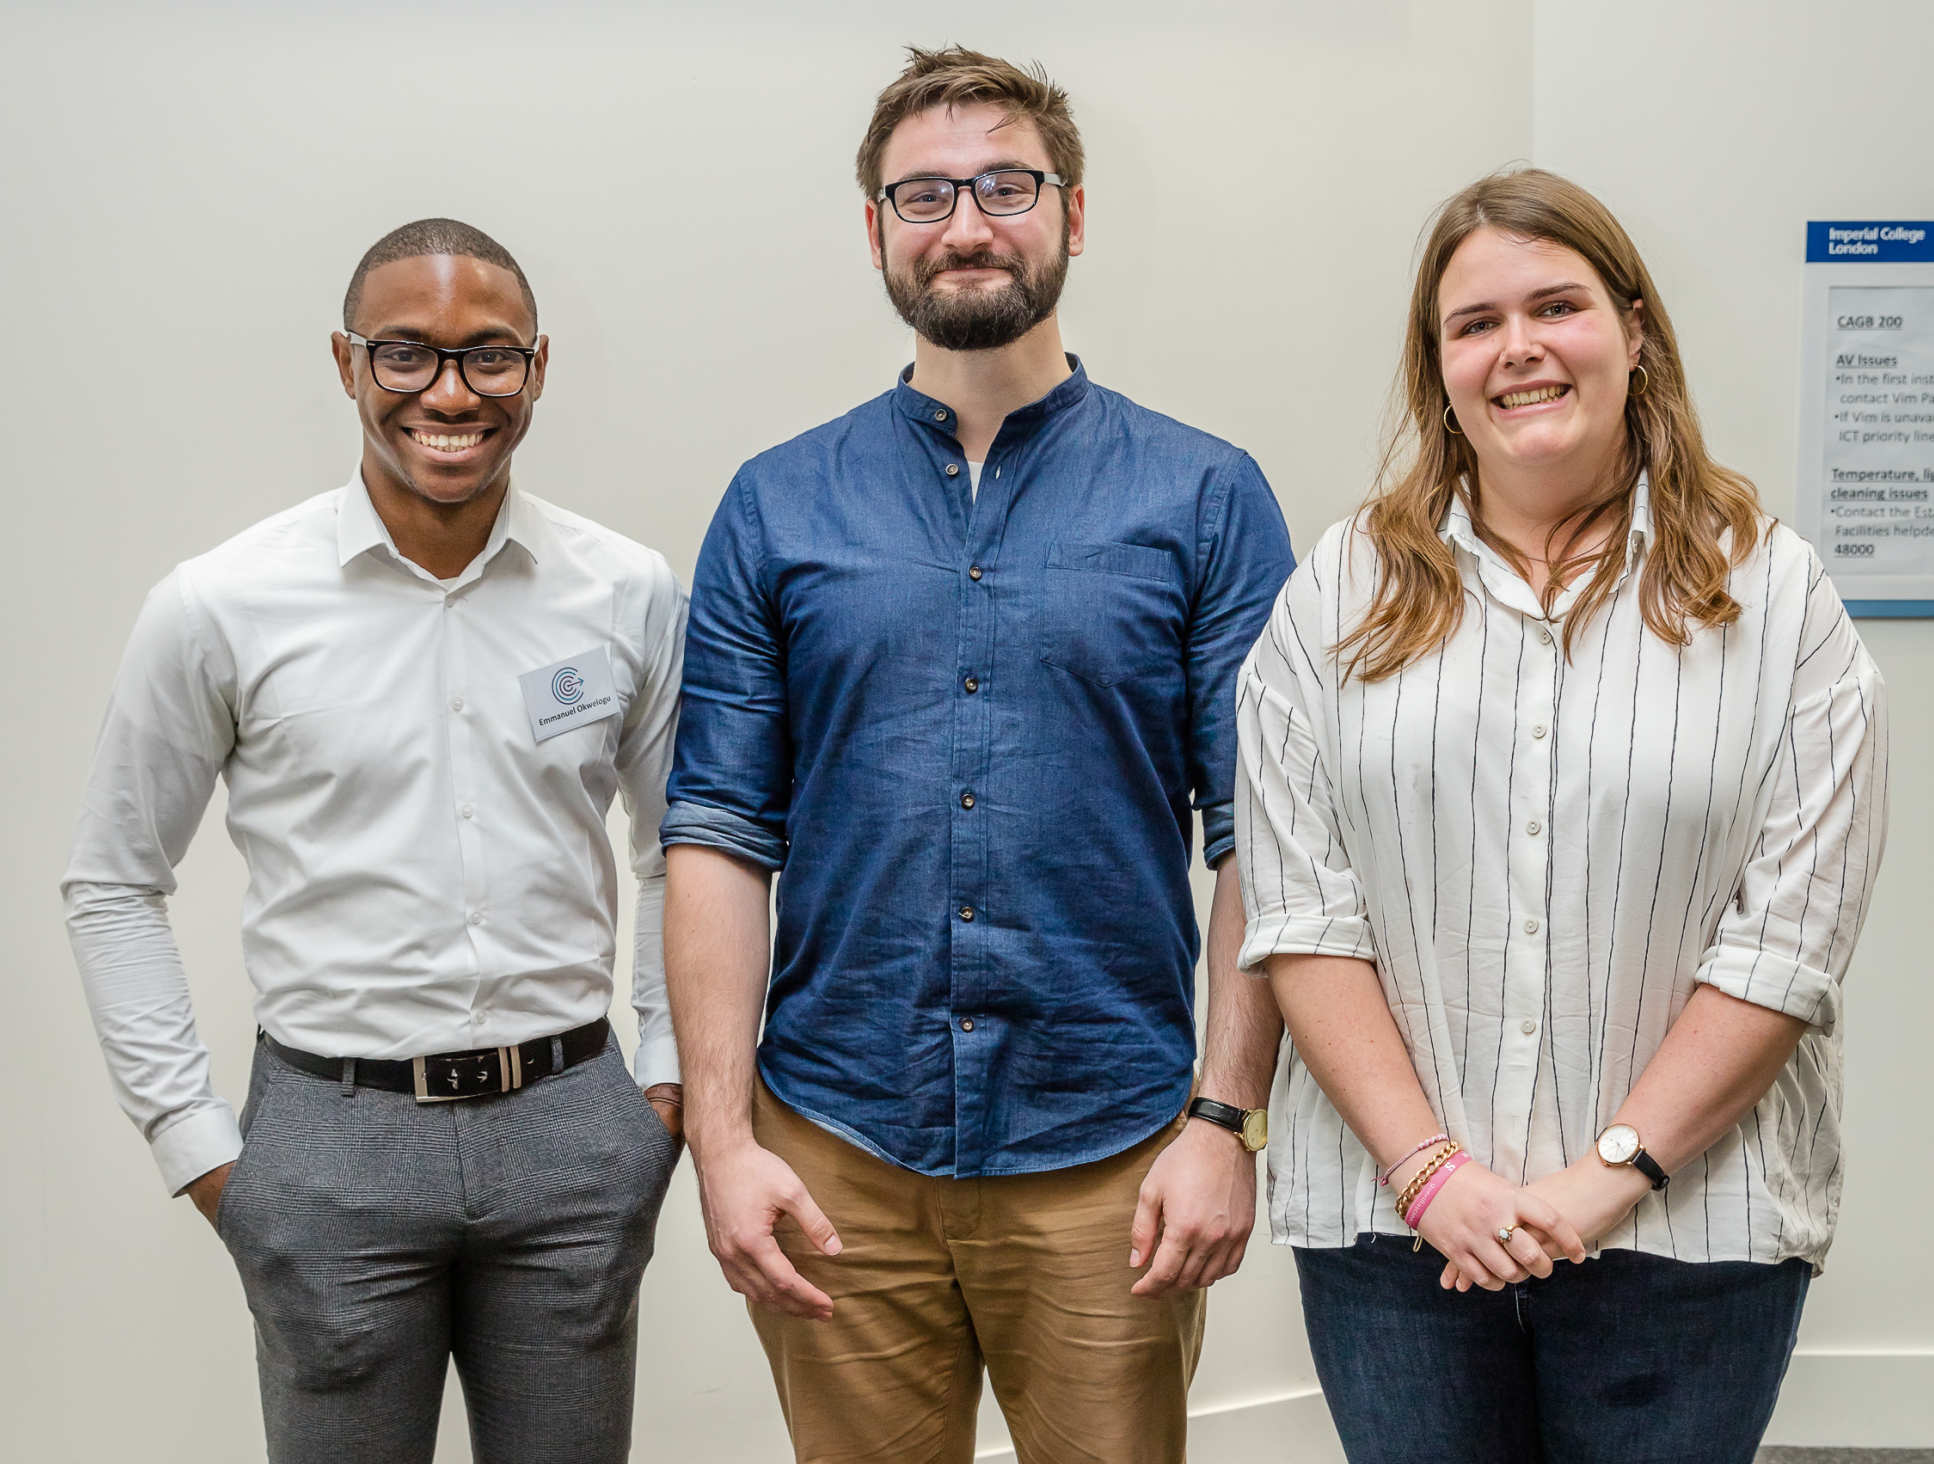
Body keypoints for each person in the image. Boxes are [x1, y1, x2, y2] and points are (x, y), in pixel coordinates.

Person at [662, 45, 1294, 1464]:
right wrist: (722, 1140)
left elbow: (1268, 835)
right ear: (874, 229)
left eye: (1003, 185)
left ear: (1073, 211)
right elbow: (713, 828)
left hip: (1112, 1148)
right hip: (833, 1138)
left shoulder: (1204, 495)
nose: (963, 223)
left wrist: (1224, 1119)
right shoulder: (775, 505)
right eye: (923, 194)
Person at [1234, 167, 1889, 1463]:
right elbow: (1302, 908)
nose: (1517, 347)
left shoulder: (1776, 601)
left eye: (1557, 306)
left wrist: (1600, 1184)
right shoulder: (1336, 593)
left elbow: (1785, 942)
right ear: (1438, 368)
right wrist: (1432, 1175)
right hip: (1392, 1239)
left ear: (1633, 334)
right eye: (1474, 323)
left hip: (1688, 1231)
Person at [61, 218, 686, 1464]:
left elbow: (676, 850)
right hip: (326, 1142)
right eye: (405, 354)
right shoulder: (221, 603)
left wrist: (658, 1096)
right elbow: (114, 881)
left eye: (488, 357)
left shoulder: (625, 591)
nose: (448, 393)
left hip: (574, 1127)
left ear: (538, 367)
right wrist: (202, 1151)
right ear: (346, 365)